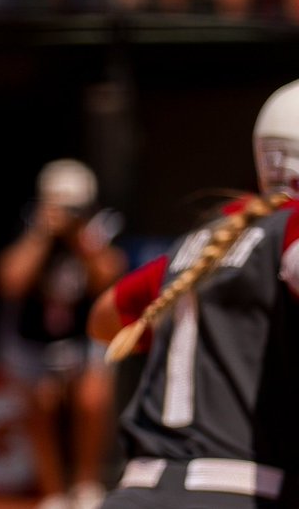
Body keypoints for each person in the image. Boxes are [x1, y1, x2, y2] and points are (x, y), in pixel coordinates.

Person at [88, 78, 299, 508]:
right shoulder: (289, 228)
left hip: (134, 493)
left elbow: (103, 319)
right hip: (240, 493)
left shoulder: (210, 236)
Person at [0, 159, 125, 509]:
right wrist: (41, 234)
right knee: (40, 402)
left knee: (92, 398)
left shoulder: (101, 226)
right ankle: (52, 494)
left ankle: (86, 486)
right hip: (32, 340)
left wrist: (82, 239)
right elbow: (10, 282)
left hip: (84, 338)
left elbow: (108, 278)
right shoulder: (27, 222)